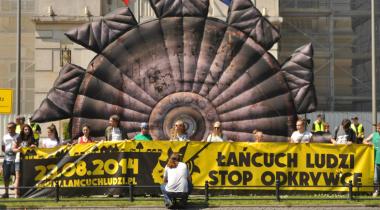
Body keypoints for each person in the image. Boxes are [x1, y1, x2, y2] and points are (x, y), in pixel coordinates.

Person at [13, 124, 37, 198]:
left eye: (28, 130)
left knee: (28, 176)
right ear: (22, 130)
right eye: (25, 129)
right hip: (18, 160)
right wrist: (18, 149)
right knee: (18, 177)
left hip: (29, 160)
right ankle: (16, 194)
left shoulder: (32, 139)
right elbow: (13, 149)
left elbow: (37, 150)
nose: (27, 131)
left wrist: (34, 147)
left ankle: (27, 193)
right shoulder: (18, 138)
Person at [1, 122, 18, 198]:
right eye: (8, 128)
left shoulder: (18, 136)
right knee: (6, 176)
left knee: (17, 176)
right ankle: (6, 193)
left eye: (10, 127)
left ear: (14, 128)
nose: (9, 129)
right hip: (7, 159)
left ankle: (16, 193)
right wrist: (8, 152)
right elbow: (3, 148)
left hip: (16, 159)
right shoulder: (5, 137)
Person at [363, 123, 380, 197]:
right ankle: (376, 191)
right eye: (378, 128)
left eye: (379, 128)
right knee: (376, 178)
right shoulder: (374, 135)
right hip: (376, 160)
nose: (379, 129)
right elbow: (364, 141)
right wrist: (368, 143)